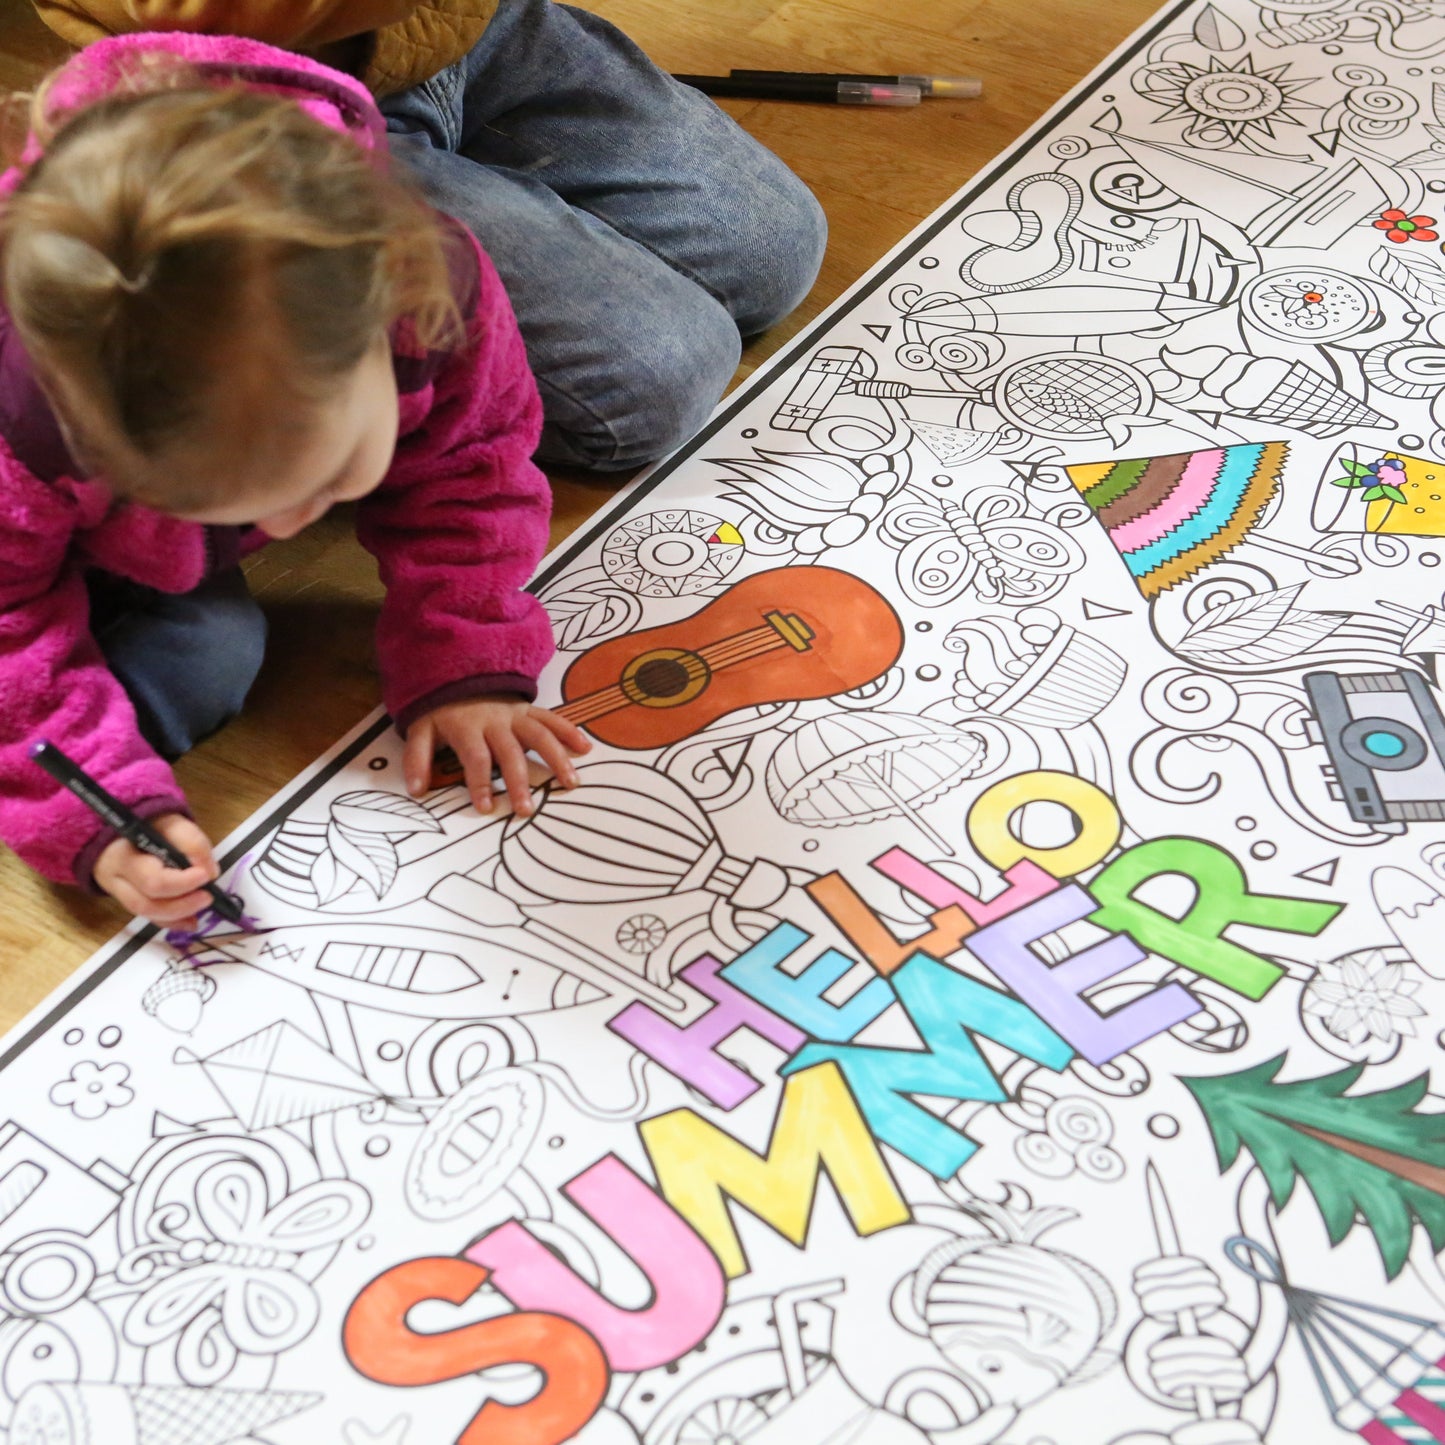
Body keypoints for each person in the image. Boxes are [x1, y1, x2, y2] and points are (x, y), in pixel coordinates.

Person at [0, 32, 590, 927]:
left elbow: (473, 470)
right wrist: (104, 818)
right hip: (47, 545)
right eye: (231, 505)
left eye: (326, 480)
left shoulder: (426, 288)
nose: (288, 528)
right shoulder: (27, 425)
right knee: (205, 661)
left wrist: (467, 658)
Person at [30, 0, 830, 470]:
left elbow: (464, 508)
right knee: (659, 377)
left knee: (774, 250)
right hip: (258, 97)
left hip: (460, 30)